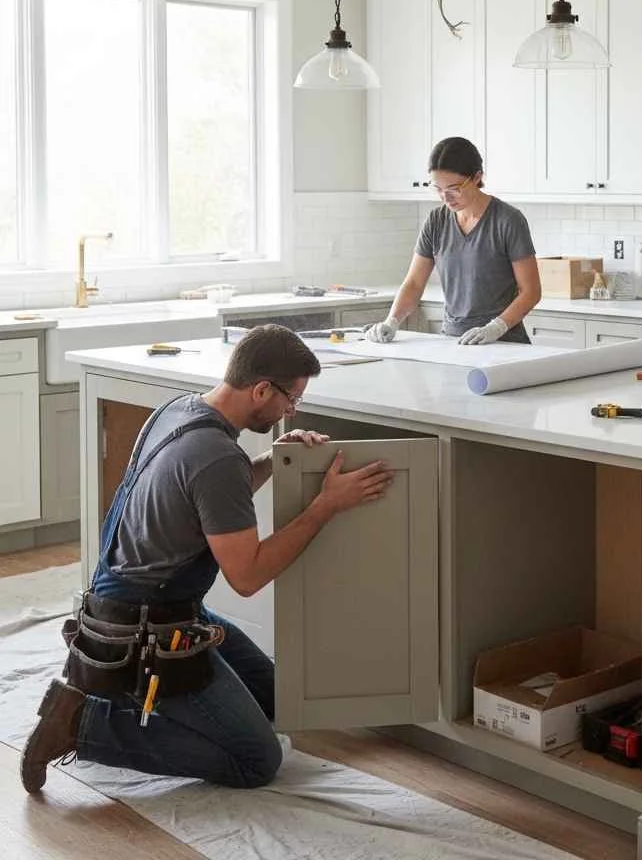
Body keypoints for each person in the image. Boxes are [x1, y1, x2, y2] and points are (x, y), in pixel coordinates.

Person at [20, 324, 393, 793]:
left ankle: (123, 696)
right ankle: (84, 725)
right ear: (262, 389)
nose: (291, 410)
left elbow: (210, 499)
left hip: (140, 609)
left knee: (279, 700)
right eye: (291, 399)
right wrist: (326, 506)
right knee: (256, 759)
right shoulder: (217, 457)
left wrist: (274, 459)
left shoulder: (179, 410)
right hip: (149, 630)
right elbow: (248, 575)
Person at [364, 136, 542, 346]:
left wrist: (496, 328)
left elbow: (531, 292)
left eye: (454, 189)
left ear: (477, 177)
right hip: (452, 340)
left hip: (504, 343)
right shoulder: (436, 221)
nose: (445, 198)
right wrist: (392, 321)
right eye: (438, 189)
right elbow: (414, 284)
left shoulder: (508, 221)